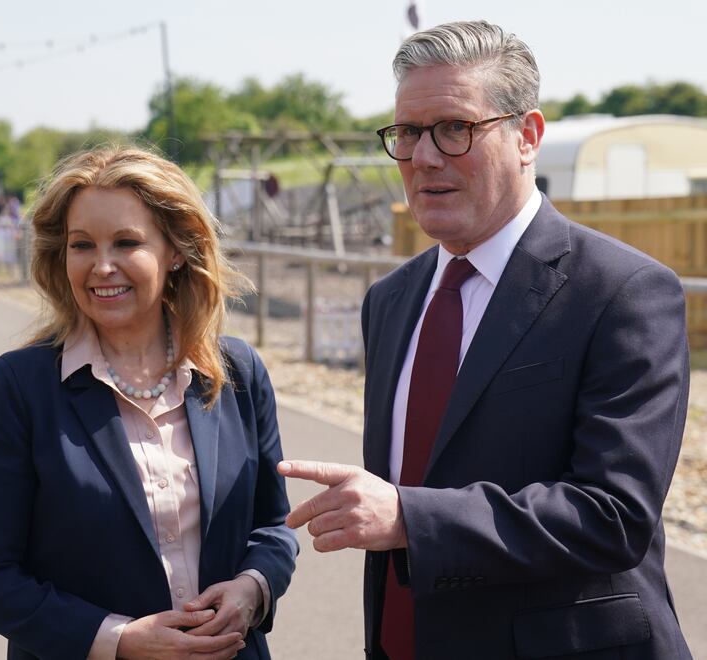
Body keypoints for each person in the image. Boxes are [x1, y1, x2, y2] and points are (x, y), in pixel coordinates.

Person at [278, 20, 692, 659]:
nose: (424, 157)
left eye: (455, 128)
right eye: (409, 132)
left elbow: (614, 514)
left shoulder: (622, 291)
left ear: (527, 137)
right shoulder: (389, 302)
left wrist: (410, 519)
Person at [0, 146, 298, 660]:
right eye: (82, 245)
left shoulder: (237, 372)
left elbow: (273, 527)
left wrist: (253, 588)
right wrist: (117, 641)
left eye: (127, 242)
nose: (102, 266)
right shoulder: (19, 386)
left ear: (176, 250)